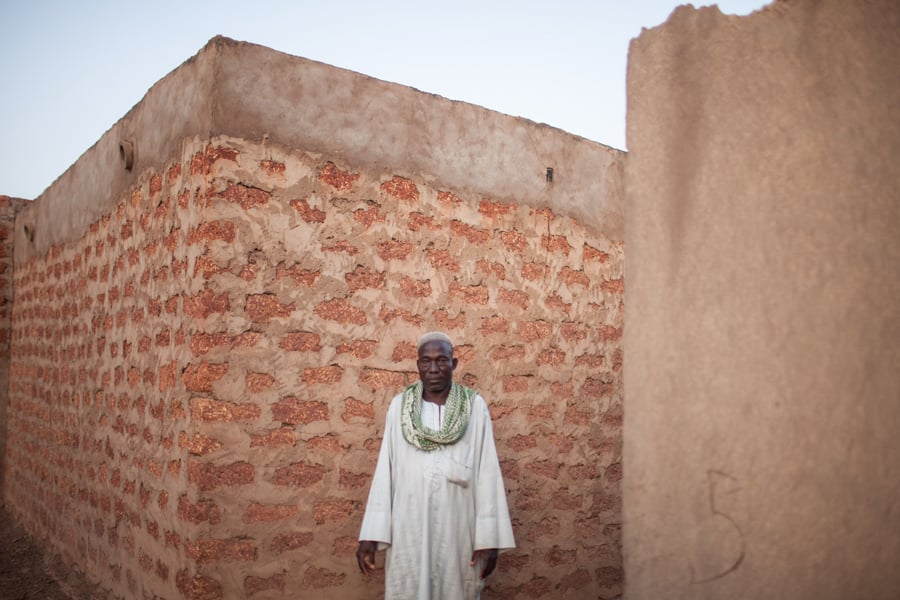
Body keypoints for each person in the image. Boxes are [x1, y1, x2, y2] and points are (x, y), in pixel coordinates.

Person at [356, 331, 516, 599]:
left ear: (454, 364)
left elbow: (487, 473)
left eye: (442, 360)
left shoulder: (474, 407)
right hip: (408, 527)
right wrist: (371, 535)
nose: (433, 369)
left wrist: (488, 540)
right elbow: (386, 470)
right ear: (417, 365)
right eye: (426, 361)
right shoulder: (400, 408)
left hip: (459, 529)